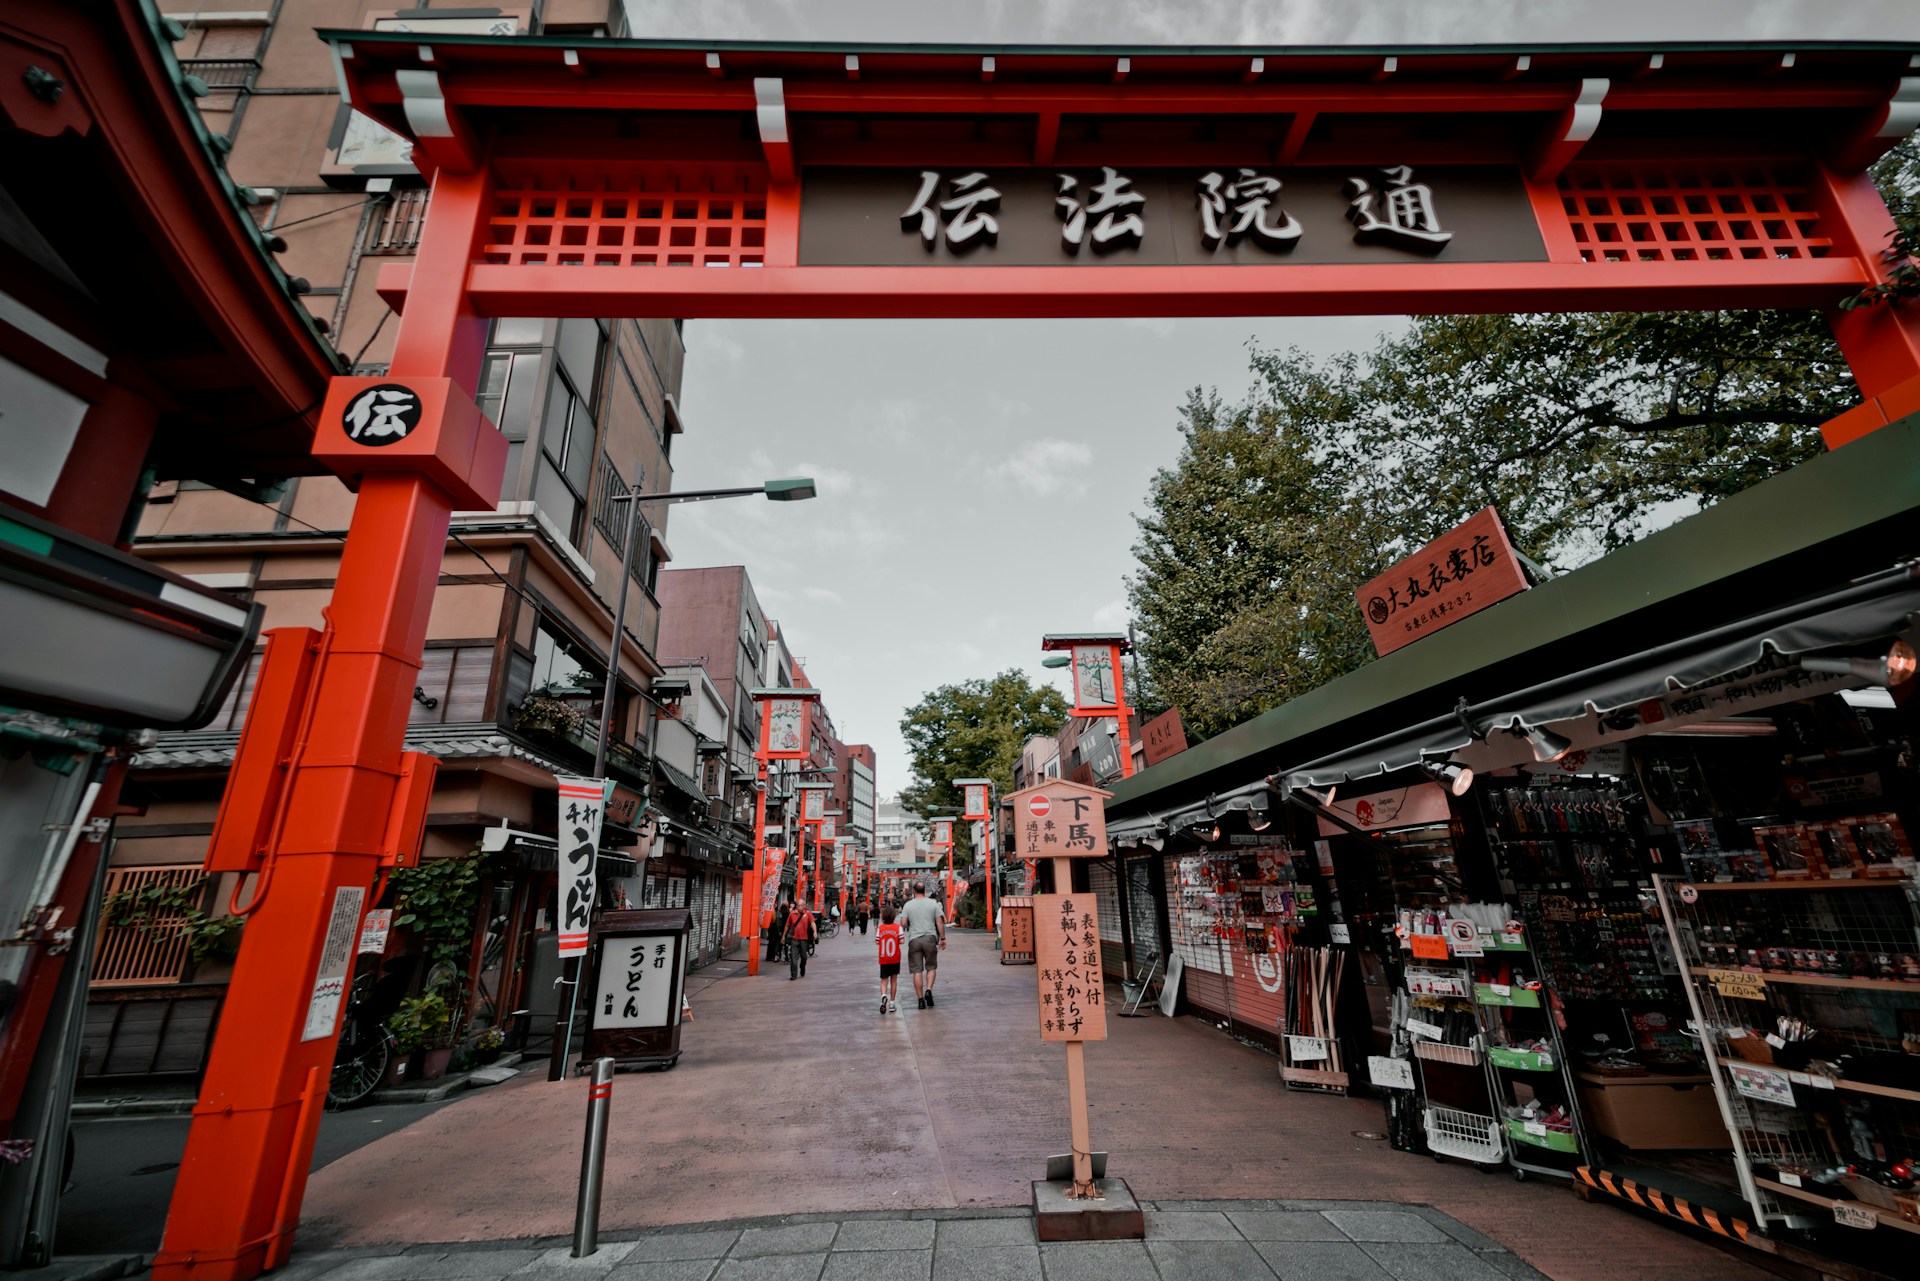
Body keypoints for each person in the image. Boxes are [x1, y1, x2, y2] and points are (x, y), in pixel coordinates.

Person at [897, 880, 945, 1008]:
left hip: (914, 940)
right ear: (924, 891)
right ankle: (928, 990)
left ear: (913, 891)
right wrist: (943, 938)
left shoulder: (908, 905)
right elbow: (939, 922)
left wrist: (910, 924)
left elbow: (903, 923)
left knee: (917, 971)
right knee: (931, 967)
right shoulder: (933, 903)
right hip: (930, 938)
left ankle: (920, 1000)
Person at [875, 905, 902, 1014]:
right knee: (894, 980)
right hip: (895, 958)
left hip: (884, 958)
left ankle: (883, 995)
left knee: (884, 980)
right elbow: (902, 940)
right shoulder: (897, 927)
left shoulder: (880, 928)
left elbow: (877, 941)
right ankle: (892, 1003)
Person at [785, 900, 816, 979]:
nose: (800, 907)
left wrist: (815, 932)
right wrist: (783, 936)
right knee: (793, 957)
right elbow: (787, 925)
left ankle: (802, 968)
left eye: (801, 905)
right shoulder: (792, 914)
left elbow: (812, 922)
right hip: (794, 938)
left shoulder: (808, 913)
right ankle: (793, 974)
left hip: (804, 939)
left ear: (804, 906)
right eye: (798, 905)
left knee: (804, 957)